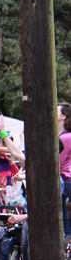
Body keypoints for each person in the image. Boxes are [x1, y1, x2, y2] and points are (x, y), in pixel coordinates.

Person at [59, 103, 71, 246]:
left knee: (62, 218)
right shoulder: (64, 136)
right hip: (65, 179)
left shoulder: (65, 137)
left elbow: (57, 164)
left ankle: (66, 247)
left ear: (64, 116)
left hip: (63, 180)